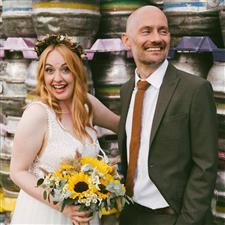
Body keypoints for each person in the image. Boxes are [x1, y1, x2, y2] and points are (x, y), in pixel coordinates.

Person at [118, 5, 218, 225]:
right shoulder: (126, 91)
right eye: (147, 31)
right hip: (131, 215)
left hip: (173, 218)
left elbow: (206, 166)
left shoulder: (195, 90)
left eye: (163, 31)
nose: (157, 38)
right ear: (126, 40)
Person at [10, 34, 120, 225]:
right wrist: (64, 207)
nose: (57, 79)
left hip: (84, 216)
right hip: (46, 214)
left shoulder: (87, 105)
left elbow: (124, 126)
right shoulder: (38, 114)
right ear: (42, 75)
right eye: (49, 70)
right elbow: (17, 172)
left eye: (65, 69)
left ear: (77, 72)